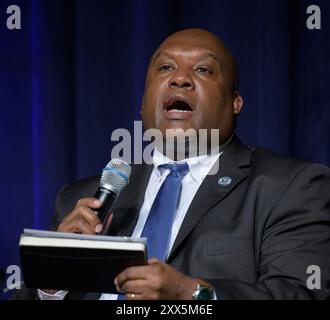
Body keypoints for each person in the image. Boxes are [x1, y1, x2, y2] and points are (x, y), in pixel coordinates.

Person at [13, 28, 330, 300]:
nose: (180, 78)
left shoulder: (291, 187)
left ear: (236, 102)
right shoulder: (80, 196)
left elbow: (302, 293)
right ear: (142, 103)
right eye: (165, 68)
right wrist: (52, 284)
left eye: (204, 70)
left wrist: (192, 294)